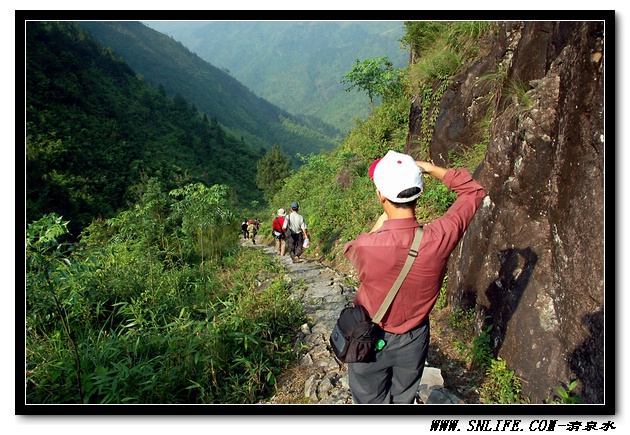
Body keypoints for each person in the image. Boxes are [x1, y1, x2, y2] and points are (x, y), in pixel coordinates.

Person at [342, 150, 485, 404]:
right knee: (404, 397)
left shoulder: (366, 246)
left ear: (381, 196)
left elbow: (352, 252)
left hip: (368, 335)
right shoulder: (440, 237)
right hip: (414, 339)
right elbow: (473, 191)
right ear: (418, 193)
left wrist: (382, 221)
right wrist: (429, 168)